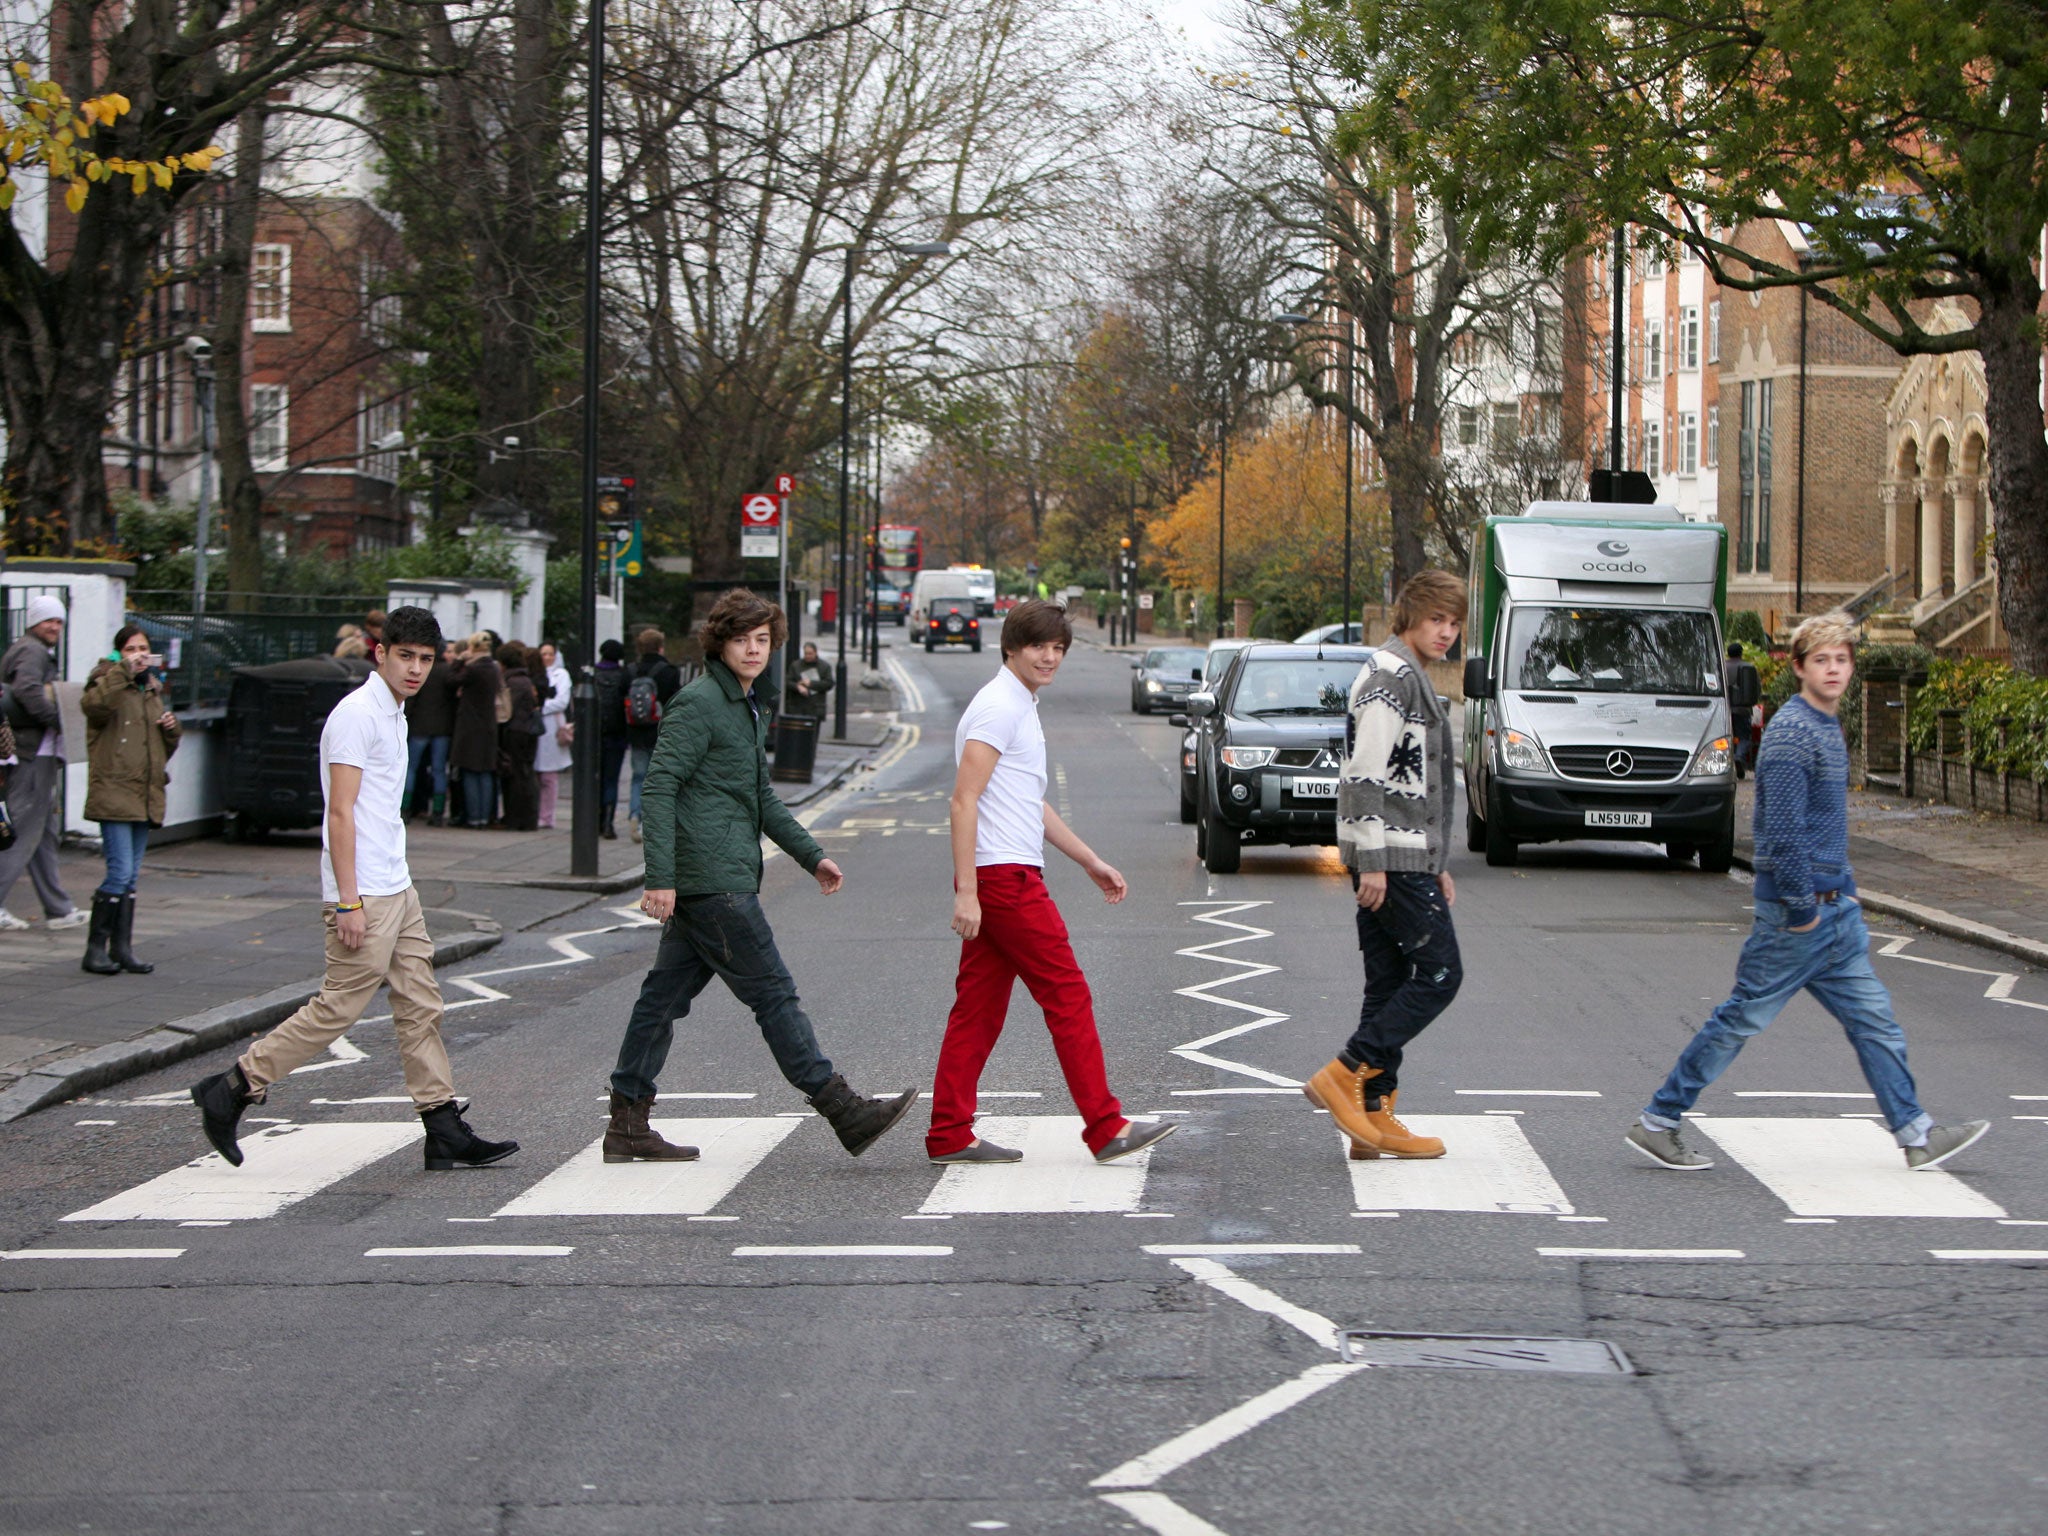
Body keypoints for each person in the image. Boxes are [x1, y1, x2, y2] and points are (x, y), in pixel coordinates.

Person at [1627, 613, 1990, 1173]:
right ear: (1799, 668)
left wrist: (1840, 896)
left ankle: (1917, 1135)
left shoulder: (1827, 727)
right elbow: (1783, 830)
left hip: (1835, 916)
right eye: (1821, 660)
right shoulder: (1795, 733)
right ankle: (1659, 1121)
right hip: (1799, 918)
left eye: (1842, 659)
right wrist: (1800, 910)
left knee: (1876, 1024)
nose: (1834, 669)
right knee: (1740, 1020)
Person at [189, 607, 518, 1172]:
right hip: (363, 890)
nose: (416, 669)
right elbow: (339, 814)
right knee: (338, 1008)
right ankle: (235, 1085)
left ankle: (442, 1128)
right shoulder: (357, 715)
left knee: (421, 1004)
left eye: (425, 659)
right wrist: (348, 901)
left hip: (398, 884)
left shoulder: (396, 713)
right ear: (380, 653)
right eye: (405, 657)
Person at [605, 588, 914, 1164]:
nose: (753, 650)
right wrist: (660, 878)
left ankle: (627, 1122)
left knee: (661, 1001)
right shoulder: (699, 703)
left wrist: (810, 855)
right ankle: (844, 1110)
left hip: (715, 876)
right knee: (774, 995)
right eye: (742, 640)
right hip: (712, 880)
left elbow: (760, 796)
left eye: (763, 640)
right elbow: (660, 785)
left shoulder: (746, 703)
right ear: (719, 643)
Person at [927, 599, 1174, 1166]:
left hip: (1004, 871)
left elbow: (1025, 802)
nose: (1050, 656)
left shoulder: (1018, 703)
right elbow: (963, 799)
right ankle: (1106, 1126)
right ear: (1011, 646)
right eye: (1039, 645)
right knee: (1067, 994)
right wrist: (968, 889)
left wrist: (1089, 860)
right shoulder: (998, 707)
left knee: (978, 1010)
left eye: (1058, 648)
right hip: (1003, 877)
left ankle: (948, 1133)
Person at [1302, 569, 1467, 1162]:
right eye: (1435, 620)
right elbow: (1366, 773)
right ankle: (1344, 1074)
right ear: (1409, 618)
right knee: (1441, 973)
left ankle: (1373, 1118)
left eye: (1453, 622)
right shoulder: (1391, 676)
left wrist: (1434, 861)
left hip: (1403, 853)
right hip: (1387, 856)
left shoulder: (1405, 673)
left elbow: (1410, 781)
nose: (1446, 631)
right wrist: (1374, 862)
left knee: (1390, 982)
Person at [78, 625, 180, 976]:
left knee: (131, 876)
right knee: (119, 872)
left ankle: (121, 948)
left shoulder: (150, 687)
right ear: (119, 653)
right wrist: (122, 671)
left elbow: (161, 750)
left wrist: (171, 728)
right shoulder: (106, 680)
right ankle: (95, 950)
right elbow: (94, 708)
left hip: (144, 791)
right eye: (131, 648)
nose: (139, 654)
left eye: (144, 648)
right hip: (116, 789)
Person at [0, 595, 86, 933]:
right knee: (20, 833)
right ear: (33, 622)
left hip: (40, 754)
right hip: (33, 755)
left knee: (45, 835)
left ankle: (58, 908)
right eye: (48, 620)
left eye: (59, 621)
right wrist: (57, 719)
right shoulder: (32, 650)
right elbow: (27, 690)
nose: (54, 626)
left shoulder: (31, 649)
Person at [625, 628, 682, 844]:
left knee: (638, 776)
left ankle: (634, 814)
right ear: (661, 647)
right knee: (659, 779)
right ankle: (652, 822)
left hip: (635, 733)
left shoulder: (630, 671)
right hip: (660, 732)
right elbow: (675, 703)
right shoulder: (669, 671)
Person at [449, 631, 503, 828]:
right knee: (486, 772)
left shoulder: (473, 669)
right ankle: (484, 816)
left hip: (470, 726)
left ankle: (473, 816)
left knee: (471, 772)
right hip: (488, 725)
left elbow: (451, 679)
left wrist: (459, 660)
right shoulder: (493, 668)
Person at [404, 641, 459, 825]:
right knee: (438, 770)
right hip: (442, 727)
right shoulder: (448, 671)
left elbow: (412, 699)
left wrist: (406, 719)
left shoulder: (422, 671)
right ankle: (437, 812)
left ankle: (404, 809)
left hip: (420, 725)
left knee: (410, 767)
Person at [496, 641, 542, 832]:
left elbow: (508, 709)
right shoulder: (525, 679)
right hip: (526, 730)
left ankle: (517, 818)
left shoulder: (513, 682)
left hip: (516, 732)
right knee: (524, 774)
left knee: (517, 775)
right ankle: (525, 817)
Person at [535, 641, 574, 830]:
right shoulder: (535, 673)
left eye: (550, 654)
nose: (547, 657)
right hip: (537, 727)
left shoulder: (561, 675)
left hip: (551, 729)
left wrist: (541, 707)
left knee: (549, 777)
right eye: (543, 654)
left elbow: (562, 701)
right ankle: (537, 812)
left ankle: (547, 816)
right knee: (537, 775)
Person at [594, 638, 629, 840]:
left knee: (595, 778)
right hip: (617, 734)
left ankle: (595, 820)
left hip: (594, 736)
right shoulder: (624, 676)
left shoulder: (593, 675)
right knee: (611, 780)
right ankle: (608, 822)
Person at [1723, 642, 1762, 778]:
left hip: (1724, 709)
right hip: (1743, 709)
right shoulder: (1749, 667)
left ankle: (1725, 766)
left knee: (1724, 738)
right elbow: (1756, 688)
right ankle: (1739, 757)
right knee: (1745, 737)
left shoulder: (1721, 667)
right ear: (1741, 653)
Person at [786, 641, 834, 719]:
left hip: (816, 707)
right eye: (806, 653)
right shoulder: (796, 666)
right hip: (798, 707)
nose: (808, 656)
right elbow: (788, 681)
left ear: (815, 653)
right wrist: (798, 687)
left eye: (810, 653)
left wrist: (811, 683)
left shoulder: (824, 667)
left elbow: (829, 683)